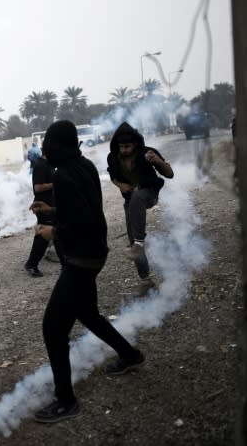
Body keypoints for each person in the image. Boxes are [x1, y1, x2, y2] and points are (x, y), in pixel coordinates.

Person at [30, 120, 144, 423]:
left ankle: (65, 401)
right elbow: (85, 209)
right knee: (88, 314)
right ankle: (130, 355)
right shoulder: (84, 165)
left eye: (48, 145)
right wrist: (50, 211)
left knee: (53, 329)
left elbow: (80, 223)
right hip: (93, 253)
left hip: (81, 259)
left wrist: (51, 231)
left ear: (58, 146)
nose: (44, 151)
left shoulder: (65, 174)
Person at [106, 122, 174, 280]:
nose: (124, 150)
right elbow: (112, 175)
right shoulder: (113, 157)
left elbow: (170, 174)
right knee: (133, 241)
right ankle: (145, 280)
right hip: (131, 201)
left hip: (148, 194)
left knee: (137, 237)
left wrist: (158, 161)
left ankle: (139, 241)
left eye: (127, 147)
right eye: (121, 146)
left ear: (135, 144)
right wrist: (120, 185)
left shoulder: (147, 153)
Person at [24, 154, 54, 277]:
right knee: (42, 236)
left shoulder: (49, 163)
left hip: (50, 205)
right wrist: (57, 182)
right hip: (42, 206)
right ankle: (31, 264)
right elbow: (38, 187)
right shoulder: (41, 165)